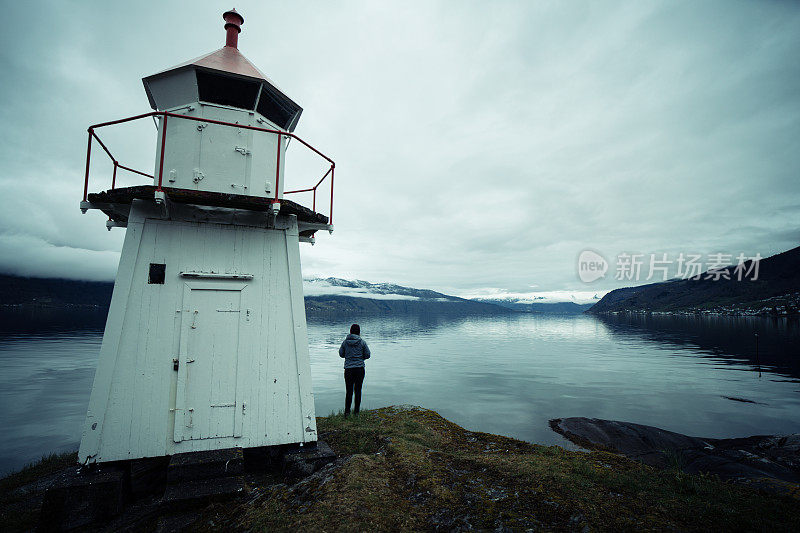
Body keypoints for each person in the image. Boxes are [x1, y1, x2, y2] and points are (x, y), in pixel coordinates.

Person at [339, 323, 370, 415]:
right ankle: (356, 412)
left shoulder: (345, 342)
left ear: (350, 331)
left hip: (348, 369)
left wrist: (348, 356)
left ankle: (347, 412)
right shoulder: (362, 342)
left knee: (349, 391)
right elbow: (368, 355)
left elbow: (341, 354)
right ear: (359, 332)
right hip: (360, 369)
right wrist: (361, 358)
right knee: (358, 390)